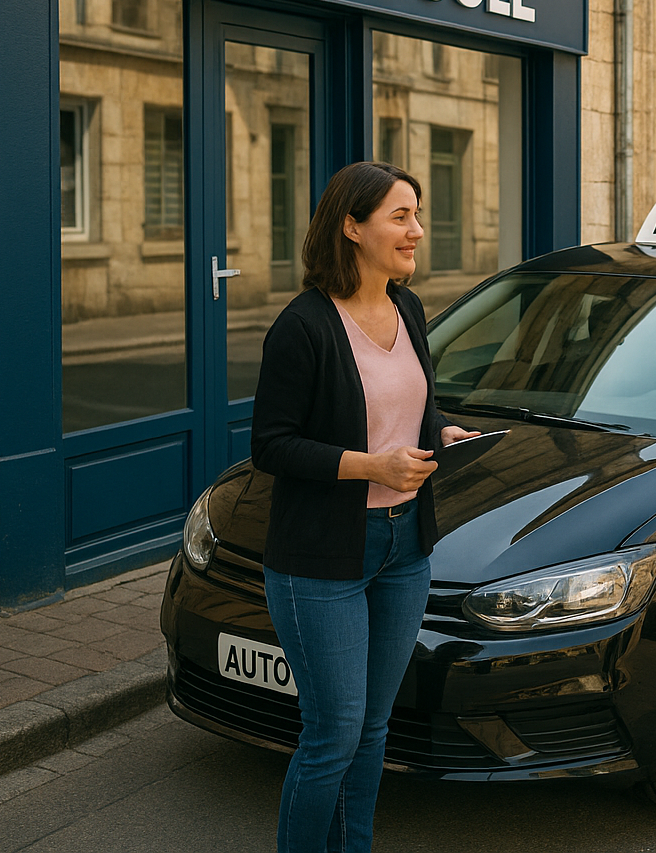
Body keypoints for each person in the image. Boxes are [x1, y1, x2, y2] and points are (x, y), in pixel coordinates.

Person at [250, 161, 479, 852]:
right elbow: (272, 445)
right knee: (332, 735)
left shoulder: (408, 308)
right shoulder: (304, 326)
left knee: (374, 728)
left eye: (416, 214)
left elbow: (407, 403)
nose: (416, 231)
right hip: (322, 558)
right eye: (399, 216)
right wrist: (370, 467)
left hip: (404, 547)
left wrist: (436, 432)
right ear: (352, 226)